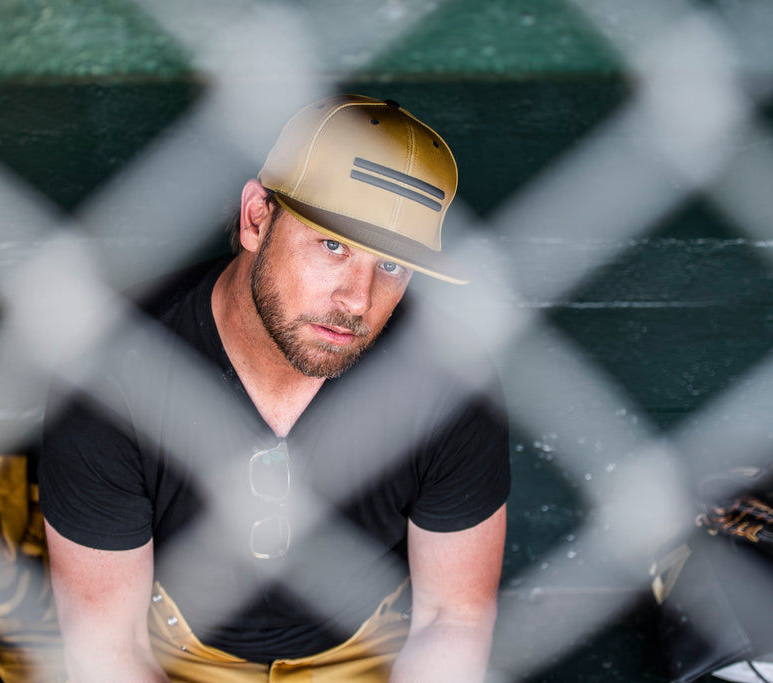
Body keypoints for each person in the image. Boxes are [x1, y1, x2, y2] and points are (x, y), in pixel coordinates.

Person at [39, 94, 510, 682]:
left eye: (390, 266)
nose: (356, 301)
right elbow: (108, 645)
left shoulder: (446, 373)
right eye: (333, 245)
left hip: (369, 644)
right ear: (258, 217)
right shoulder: (113, 372)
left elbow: (452, 618)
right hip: (178, 649)